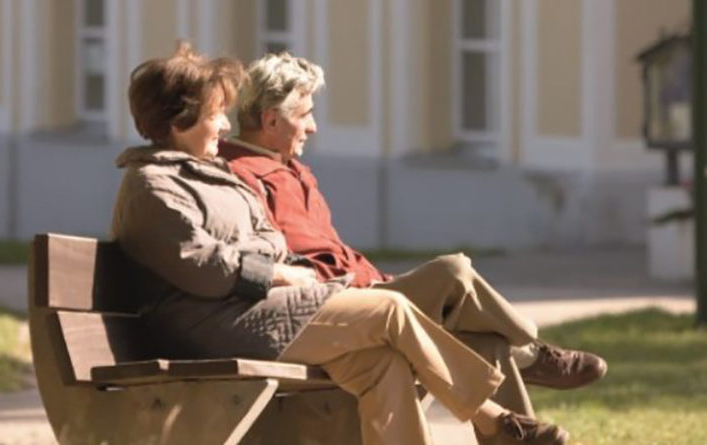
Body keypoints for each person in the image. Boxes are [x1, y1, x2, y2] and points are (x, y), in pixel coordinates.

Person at [110, 42, 570, 445]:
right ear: (180, 120)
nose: (225, 127)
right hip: (207, 327)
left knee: (382, 363)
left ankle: (498, 415)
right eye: (215, 115)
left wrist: (271, 261)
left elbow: (266, 234)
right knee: (389, 311)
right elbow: (204, 267)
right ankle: (492, 418)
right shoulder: (153, 186)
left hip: (249, 311)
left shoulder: (213, 177)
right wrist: (276, 271)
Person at [219, 52, 608, 428]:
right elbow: (285, 260)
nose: (313, 126)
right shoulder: (241, 177)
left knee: (486, 343)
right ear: (271, 120)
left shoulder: (294, 171)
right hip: (336, 306)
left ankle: (519, 423)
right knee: (453, 271)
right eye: (305, 115)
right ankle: (529, 350)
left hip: (370, 291)